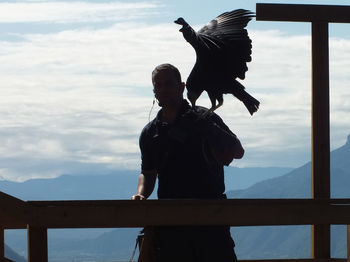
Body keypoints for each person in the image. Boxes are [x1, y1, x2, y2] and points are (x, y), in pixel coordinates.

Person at [132, 63, 244, 262]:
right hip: (171, 224)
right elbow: (148, 173)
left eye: (168, 84)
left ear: (182, 87)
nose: (163, 89)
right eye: (158, 85)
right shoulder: (150, 133)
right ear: (154, 91)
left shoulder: (205, 118)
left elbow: (237, 151)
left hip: (211, 219)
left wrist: (208, 128)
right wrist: (141, 194)